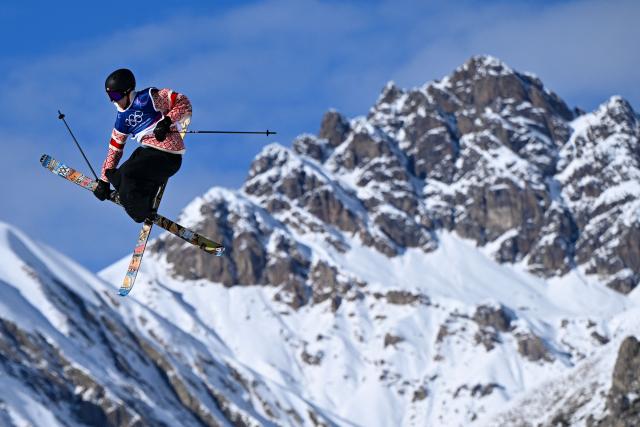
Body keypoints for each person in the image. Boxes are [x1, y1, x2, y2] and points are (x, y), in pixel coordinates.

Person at [93, 68, 192, 223]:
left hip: (168, 155)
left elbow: (183, 102)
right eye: (110, 97)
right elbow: (114, 150)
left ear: (127, 91)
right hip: (147, 154)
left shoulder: (149, 99)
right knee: (118, 174)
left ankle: (139, 208)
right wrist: (104, 181)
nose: (114, 101)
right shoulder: (121, 120)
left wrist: (166, 122)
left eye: (116, 95)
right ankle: (140, 197)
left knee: (127, 173)